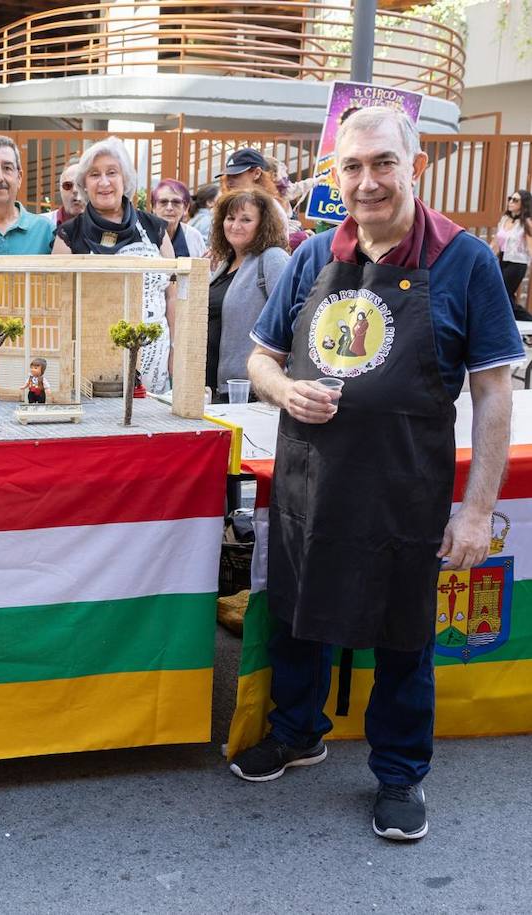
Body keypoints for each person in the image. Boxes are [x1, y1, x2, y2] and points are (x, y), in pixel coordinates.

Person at [234, 106, 524, 842]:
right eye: (352, 167)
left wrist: (474, 509)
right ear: (336, 176)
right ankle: (297, 731)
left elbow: (494, 390)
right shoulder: (309, 255)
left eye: (383, 163)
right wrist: (282, 390)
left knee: (402, 637)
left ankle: (400, 773)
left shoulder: (466, 261)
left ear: (416, 166)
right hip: (307, 483)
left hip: (403, 490)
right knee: (298, 618)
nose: (368, 182)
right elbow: (260, 358)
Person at [53, 137, 176, 393]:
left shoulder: (155, 229)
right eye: (95, 174)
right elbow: (59, 305)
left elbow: (173, 295)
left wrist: (177, 349)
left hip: (155, 360)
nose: (104, 182)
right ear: (84, 184)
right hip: (90, 364)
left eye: (112, 172)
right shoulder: (68, 235)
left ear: (125, 180)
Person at [204, 189, 289, 400]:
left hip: (250, 390)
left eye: (246, 220)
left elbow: (291, 319)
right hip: (216, 389)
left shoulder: (272, 259)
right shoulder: (226, 263)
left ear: (263, 224)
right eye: (230, 218)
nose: (235, 226)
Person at [217, 148, 292, 228]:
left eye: (236, 175)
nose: (229, 181)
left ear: (257, 173)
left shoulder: (271, 208)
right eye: (228, 175)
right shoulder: (224, 204)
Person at [492, 189, 531, 321]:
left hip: (517, 263)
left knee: (501, 293)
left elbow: (530, 247)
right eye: (510, 198)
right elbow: (496, 242)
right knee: (506, 297)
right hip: (502, 260)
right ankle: (523, 321)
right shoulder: (504, 219)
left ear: (524, 204)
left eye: (515, 200)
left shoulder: (526, 223)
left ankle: (528, 320)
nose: (510, 202)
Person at [151, 178, 206, 259]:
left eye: (176, 202)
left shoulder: (194, 237)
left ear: (186, 208)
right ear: (154, 207)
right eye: (163, 202)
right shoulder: (142, 236)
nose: (169, 208)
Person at [41, 159, 86, 228]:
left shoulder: (105, 226)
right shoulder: (39, 225)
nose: (75, 190)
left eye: (80, 184)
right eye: (68, 185)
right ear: (60, 188)